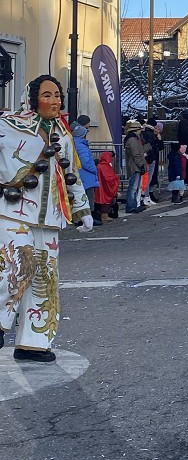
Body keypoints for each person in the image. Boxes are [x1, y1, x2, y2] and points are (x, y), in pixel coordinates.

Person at [0, 75, 93, 362]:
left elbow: (71, 175)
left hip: (51, 216)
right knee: (18, 266)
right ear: (32, 98)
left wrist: (82, 208)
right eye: (47, 95)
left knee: (45, 277)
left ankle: (33, 343)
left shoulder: (64, 134)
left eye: (57, 95)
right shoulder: (9, 125)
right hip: (12, 210)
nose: (54, 101)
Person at [72, 118, 100, 226]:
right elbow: (85, 161)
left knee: (82, 197)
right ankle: (87, 218)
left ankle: (82, 218)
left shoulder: (76, 144)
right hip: (86, 174)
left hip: (82, 174)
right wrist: (94, 169)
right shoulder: (81, 145)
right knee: (88, 197)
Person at [124, 120, 147, 213]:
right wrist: (141, 165)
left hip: (134, 165)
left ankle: (132, 205)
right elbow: (136, 154)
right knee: (133, 187)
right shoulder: (133, 140)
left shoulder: (132, 139)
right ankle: (131, 206)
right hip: (135, 166)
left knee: (135, 187)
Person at [95, 150, 120, 221]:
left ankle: (100, 214)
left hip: (99, 187)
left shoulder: (99, 166)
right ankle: (104, 216)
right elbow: (111, 178)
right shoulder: (107, 167)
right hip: (106, 188)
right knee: (106, 202)